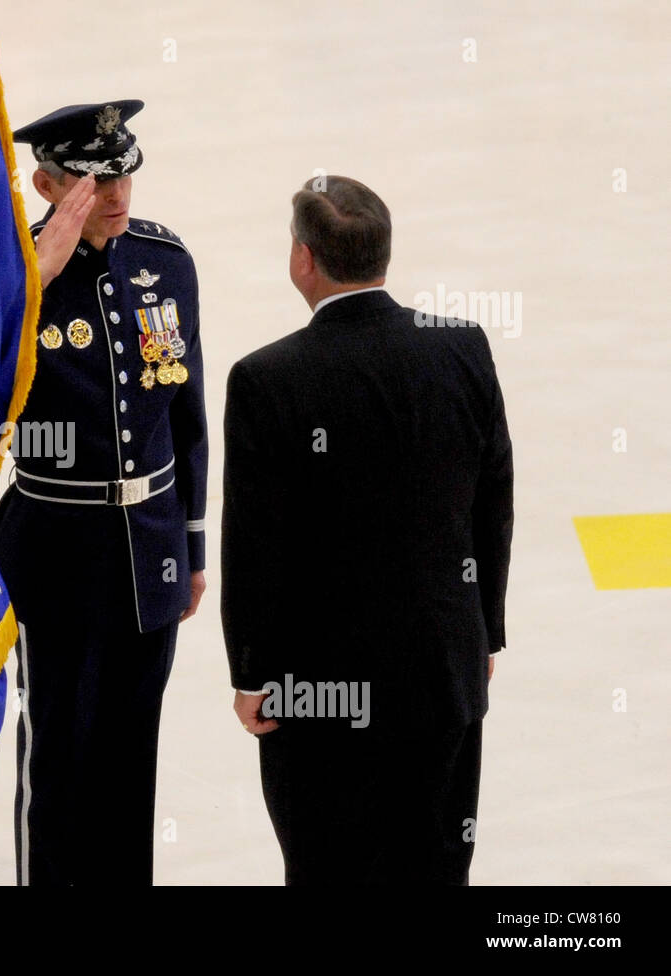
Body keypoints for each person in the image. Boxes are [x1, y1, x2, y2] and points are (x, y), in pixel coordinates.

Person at [221, 175, 513, 884]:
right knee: (436, 864)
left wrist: (252, 672)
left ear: (302, 259)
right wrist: (484, 630)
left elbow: (256, 542)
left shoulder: (266, 378)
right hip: (442, 667)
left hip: (316, 687)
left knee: (327, 868)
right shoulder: (462, 347)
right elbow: (493, 499)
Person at [0, 100, 208, 885]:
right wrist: (29, 282)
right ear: (46, 182)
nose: (115, 193)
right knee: (60, 754)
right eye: (91, 178)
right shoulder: (14, 270)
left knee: (128, 752)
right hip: (55, 545)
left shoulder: (164, 260)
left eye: (123, 172)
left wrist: (192, 544)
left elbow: (186, 410)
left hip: (148, 543)